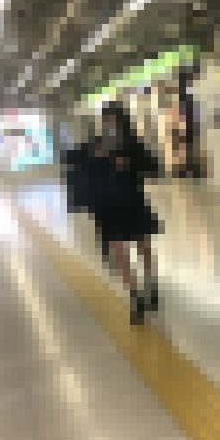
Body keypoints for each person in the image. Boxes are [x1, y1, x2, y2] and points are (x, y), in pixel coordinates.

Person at [91, 101, 162, 324]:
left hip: (133, 201)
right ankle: (135, 298)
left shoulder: (134, 143)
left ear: (122, 120)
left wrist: (130, 164)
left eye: (113, 119)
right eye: (106, 120)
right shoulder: (98, 145)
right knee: (119, 252)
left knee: (143, 246)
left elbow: (153, 167)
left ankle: (151, 286)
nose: (109, 124)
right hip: (110, 206)